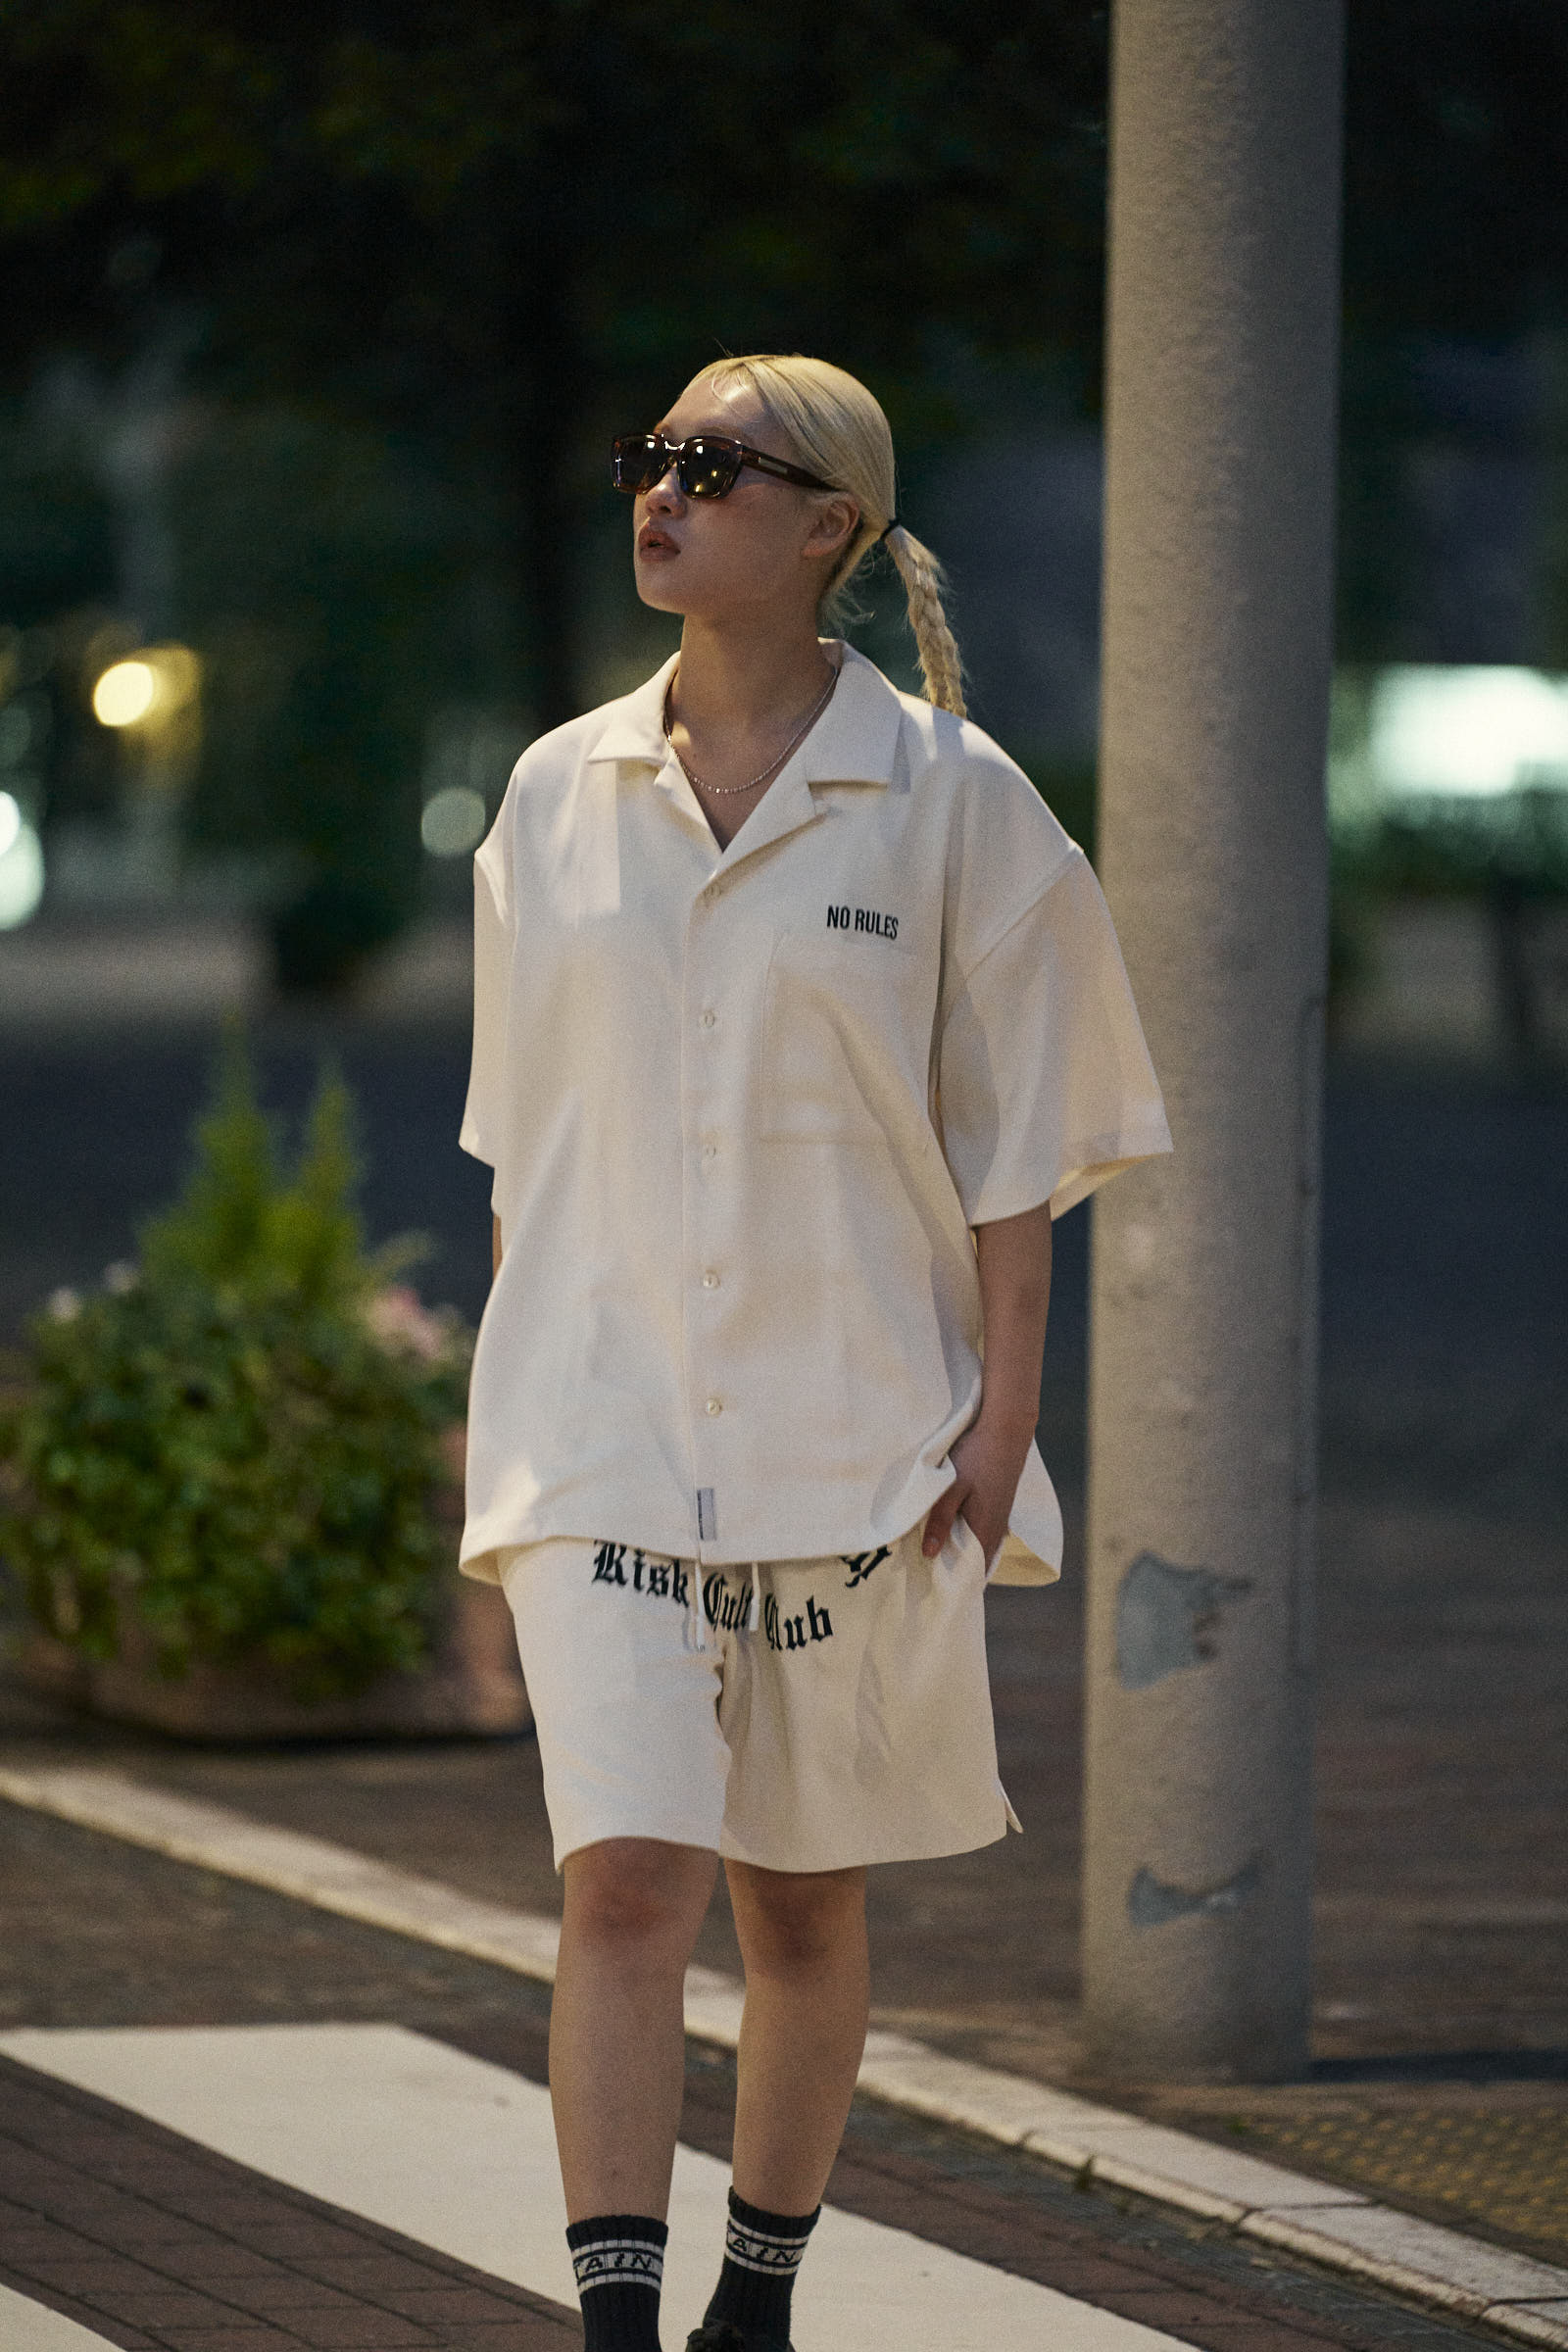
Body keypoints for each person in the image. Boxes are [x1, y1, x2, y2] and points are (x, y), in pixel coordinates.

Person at [457, 353, 1171, 2352]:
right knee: (624, 1885)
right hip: (599, 1426)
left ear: (828, 527)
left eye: (714, 468)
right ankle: (616, 2330)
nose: (661, 494)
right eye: (651, 458)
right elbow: (526, 1143)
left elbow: (1019, 1145)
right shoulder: (554, 791)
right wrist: (494, 1430)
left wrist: (1001, 1423)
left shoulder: (952, 800)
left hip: (856, 1435)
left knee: (798, 1900)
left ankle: (750, 2311)